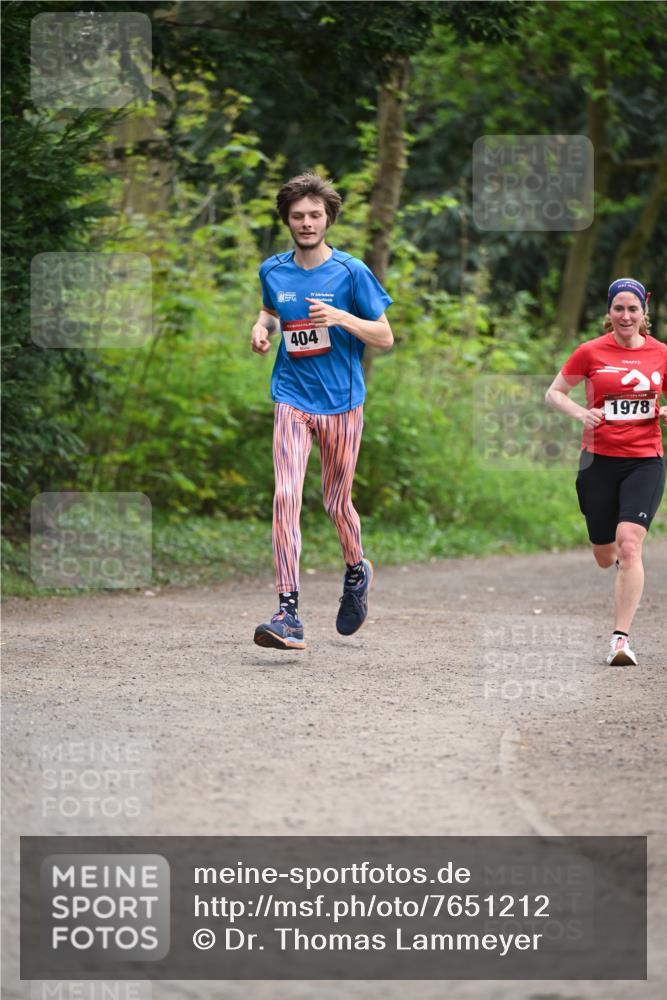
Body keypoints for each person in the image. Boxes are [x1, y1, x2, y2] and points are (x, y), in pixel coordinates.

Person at [250, 173, 394, 650]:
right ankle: (287, 612)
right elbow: (273, 309)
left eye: (314, 215)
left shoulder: (351, 272)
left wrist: (341, 318)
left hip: (342, 402)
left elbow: (385, 336)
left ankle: (357, 569)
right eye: (297, 216)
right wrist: (262, 326)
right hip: (291, 396)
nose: (306, 223)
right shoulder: (273, 269)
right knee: (286, 495)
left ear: (328, 218)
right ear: (286, 220)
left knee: (336, 502)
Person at [546, 278, 667, 666]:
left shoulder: (661, 354)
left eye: (633, 309)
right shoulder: (590, 352)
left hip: (645, 460)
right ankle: (615, 557)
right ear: (609, 312)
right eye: (619, 309)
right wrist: (581, 413)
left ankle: (620, 640)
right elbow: (554, 393)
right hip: (597, 461)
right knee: (605, 553)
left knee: (629, 543)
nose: (626, 316)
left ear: (643, 312)